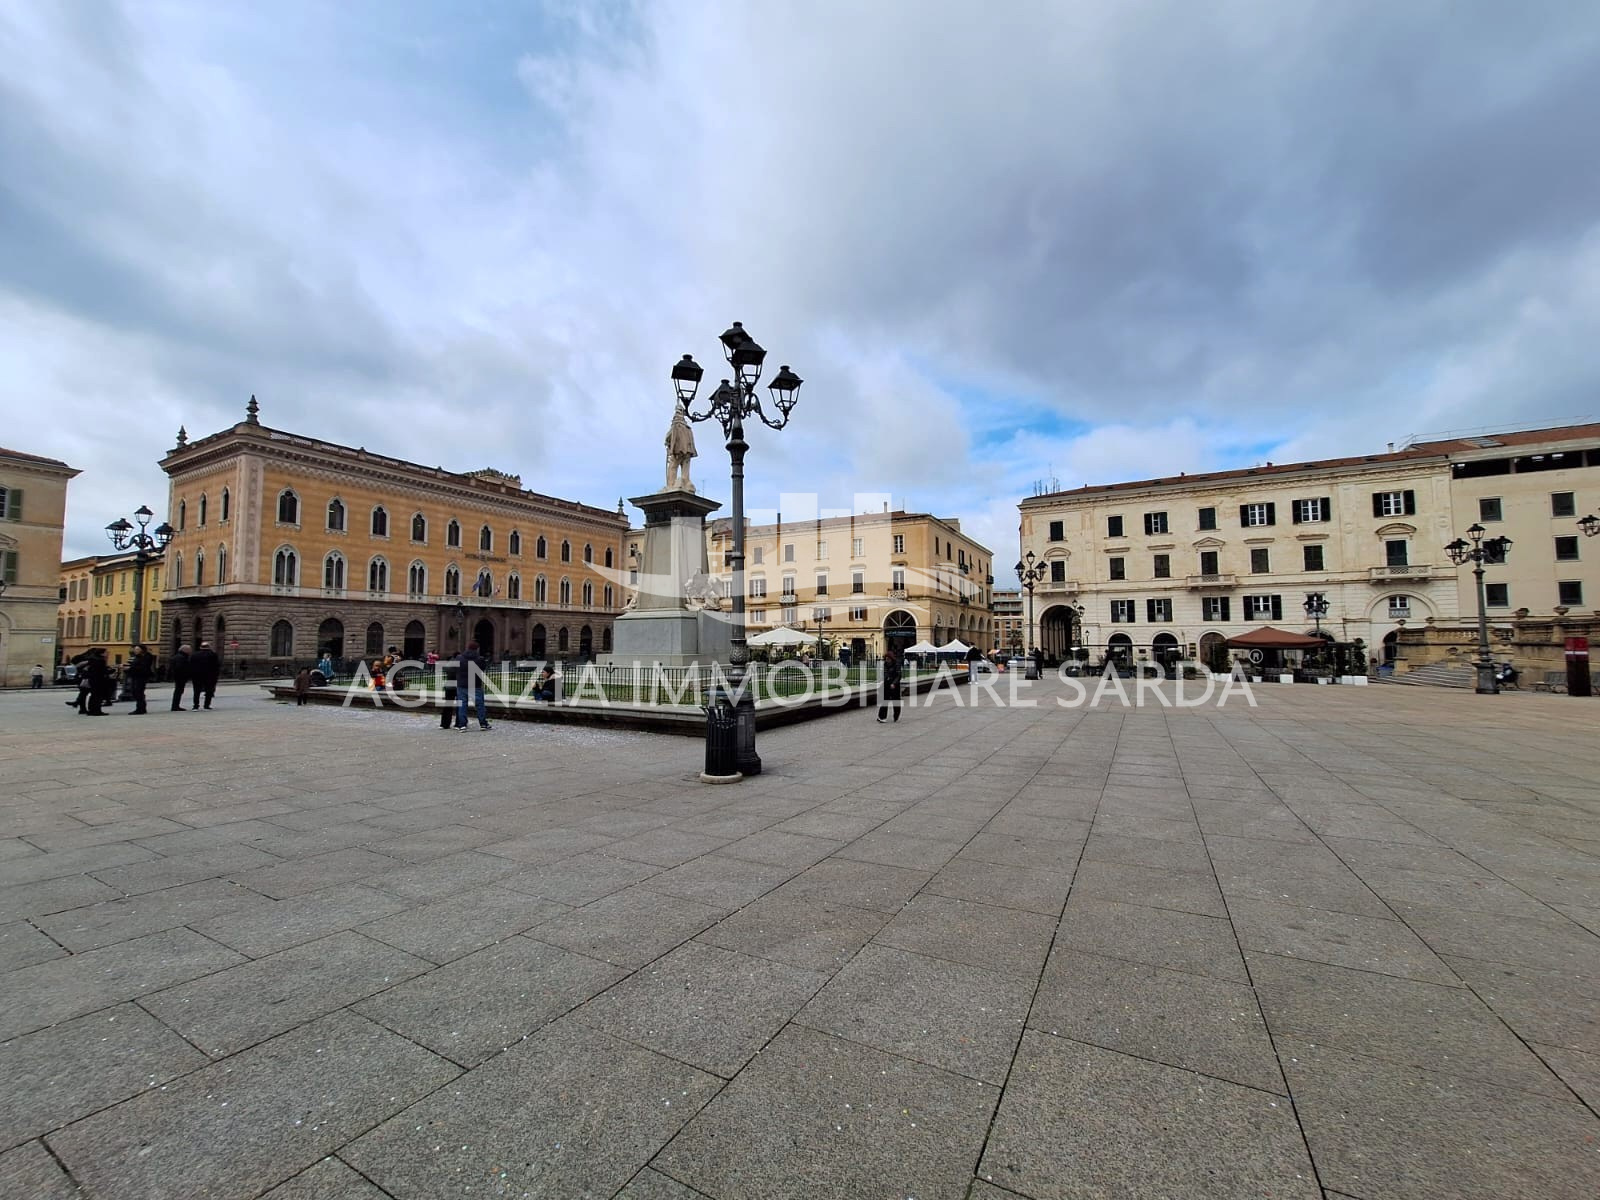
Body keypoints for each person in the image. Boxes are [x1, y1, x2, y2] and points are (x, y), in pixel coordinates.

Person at [455, 641, 490, 730]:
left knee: (462, 705)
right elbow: (483, 669)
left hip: (462, 685)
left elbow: (455, 668)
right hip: (475, 685)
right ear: (477, 649)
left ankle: (462, 724)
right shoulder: (480, 659)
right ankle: (483, 724)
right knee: (480, 705)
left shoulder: (459, 658)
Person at [190, 641, 221, 709]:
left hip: (197, 676)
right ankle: (206, 705)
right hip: (209, 676)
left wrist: (192, 675)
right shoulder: (213, 654)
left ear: (200, 647)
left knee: (196, 691)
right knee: (209, 690)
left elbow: (191, 665)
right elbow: (216, 666)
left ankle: (195, 706)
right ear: (208, 647)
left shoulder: (195, 655)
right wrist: (216, 675)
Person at [876, 648, 903, 724]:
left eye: (888, 659)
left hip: (895, 685)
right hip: (887, 684)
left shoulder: (897, 664)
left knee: (896, 701)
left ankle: (896, 716)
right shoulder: (885, 664)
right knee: (885, 700)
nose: (887, 660)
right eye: (886, 659)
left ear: (891, 658)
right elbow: (885, 673)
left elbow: (899, 675)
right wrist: (884, 681)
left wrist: (894, 683)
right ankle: (882, 717)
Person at [125, 645, 153, 715]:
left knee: (138, 692)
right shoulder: (138, 657)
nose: (135, 650)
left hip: (141, 676)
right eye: (135, 649)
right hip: (136, 676)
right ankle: (141, 708)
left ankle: (140, 709)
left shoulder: (145, 657)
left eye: (137, 649)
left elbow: (142, 667)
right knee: (136, 692)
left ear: (142, 650)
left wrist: (129, 668)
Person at [82, 649, 110, 716]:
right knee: (98, 696)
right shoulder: (101, 660)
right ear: (101, 653)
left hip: (92, 680)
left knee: (93, 695)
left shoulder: (92, 660)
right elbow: (103, 671)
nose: (107, 653)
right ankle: (97, 711)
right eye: (106, 652)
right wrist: (111, 671)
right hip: (99, 680)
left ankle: (91, 710)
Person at [169, 644, 193, 711]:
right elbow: (180, 668)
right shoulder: (181, 658)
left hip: (178, 677)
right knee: (178, 691)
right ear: (185, 650)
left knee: (178, 691)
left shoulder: (177, 656)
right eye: (189, 650)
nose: (191, 651)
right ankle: (175, 706)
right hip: (180, 677)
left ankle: (175, 705)